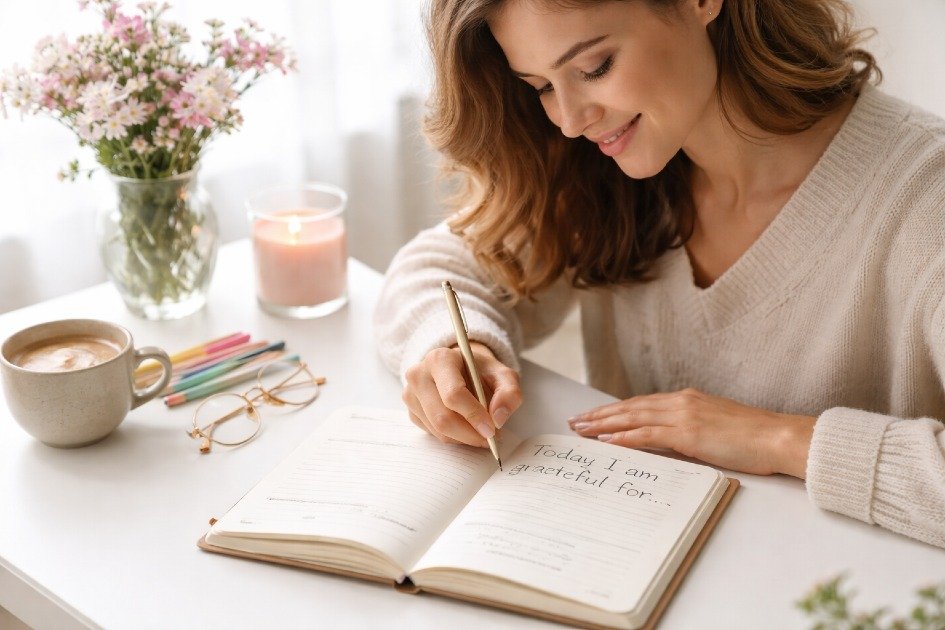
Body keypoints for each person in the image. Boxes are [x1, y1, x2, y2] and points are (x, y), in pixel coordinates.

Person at [373, 0, 945, 548]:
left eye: (595, 66)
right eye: (542, 87)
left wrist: (777, 437)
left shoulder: (925, 199)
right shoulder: (609, 167)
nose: (571, 120)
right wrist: (452, 346)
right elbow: (438, 267)